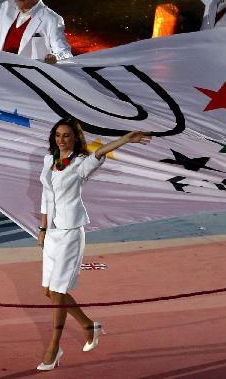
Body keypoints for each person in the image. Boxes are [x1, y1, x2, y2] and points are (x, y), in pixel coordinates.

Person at [36, 119, 150, 370]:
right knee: (50, 291)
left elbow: (98, 153)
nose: (61, 140)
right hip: (52, 234)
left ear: (75, 138)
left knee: (58, 293)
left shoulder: (79, 165)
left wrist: (123, 140)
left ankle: (54, 348)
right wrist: (42, 228)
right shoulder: (48, 161)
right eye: (58, 135)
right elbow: (45, 196)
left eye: (66, 136)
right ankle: (89, 325)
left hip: (70, 233)